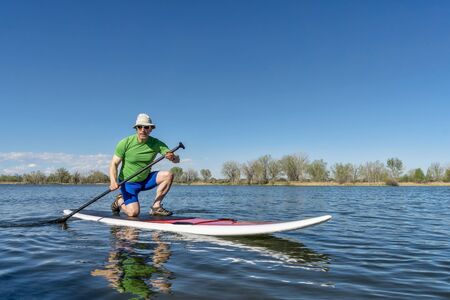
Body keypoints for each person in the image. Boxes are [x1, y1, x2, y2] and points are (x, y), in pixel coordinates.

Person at [109, 113, 180, 217]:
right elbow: (114, 163)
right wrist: (113, 181)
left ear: (151, 129)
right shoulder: (125, 142)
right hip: (128, 183)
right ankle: (119, 201)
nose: (143, 130)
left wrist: (172, 157)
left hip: (145, 180)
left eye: (146, 127)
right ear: (136, 128)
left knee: (168, 175)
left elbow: (176, 160)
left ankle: (156, 207)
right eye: (140, 127)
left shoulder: (157, 143)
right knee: (133, 213)